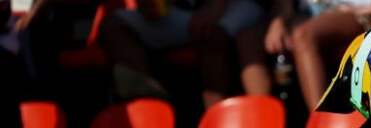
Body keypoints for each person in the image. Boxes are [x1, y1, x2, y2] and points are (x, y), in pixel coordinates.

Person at [98, 0, 269, 107]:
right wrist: (148, 5)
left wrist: (213, 8)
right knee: (113, 25)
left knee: (211, 34)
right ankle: (150, 104)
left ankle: (220, 122)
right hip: (181, 14)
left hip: (232, 6)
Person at [263, 0, 371, 110]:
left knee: (303, 36)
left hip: (356, 13)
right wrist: (279, 21)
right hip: (309, 14)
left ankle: (319, 122)